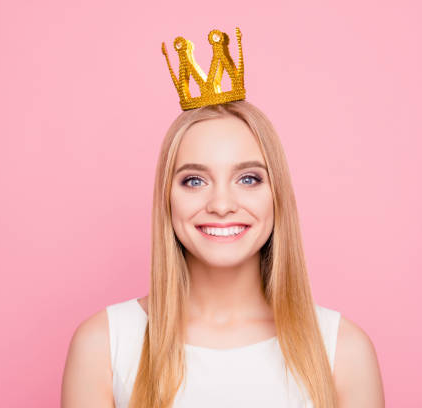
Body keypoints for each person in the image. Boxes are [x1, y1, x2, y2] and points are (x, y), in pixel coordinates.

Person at [61, 28, 384, 408]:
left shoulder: (343, 350)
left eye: (248, 178)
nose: (221, 203)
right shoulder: (104, 345)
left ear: (277, 196)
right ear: (167, 199)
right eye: (194, 180)